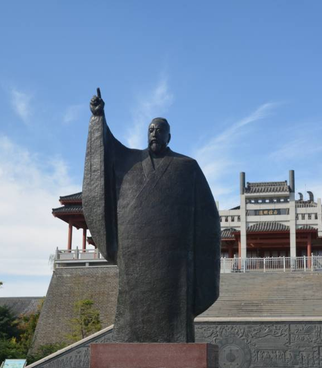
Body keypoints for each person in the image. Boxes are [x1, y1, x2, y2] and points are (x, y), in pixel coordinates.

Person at [82, 89, 220, 343]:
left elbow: (208, 217)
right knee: (132, 311)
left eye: (160, 130)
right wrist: (98, 118)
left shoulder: (187, 166)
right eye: (151, 130)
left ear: (169, 136)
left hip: (174, 259)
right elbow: (106, 151)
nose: (154, 133)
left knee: (174, 315)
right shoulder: (130, 161)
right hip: (134, 253)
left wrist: (198, 253)